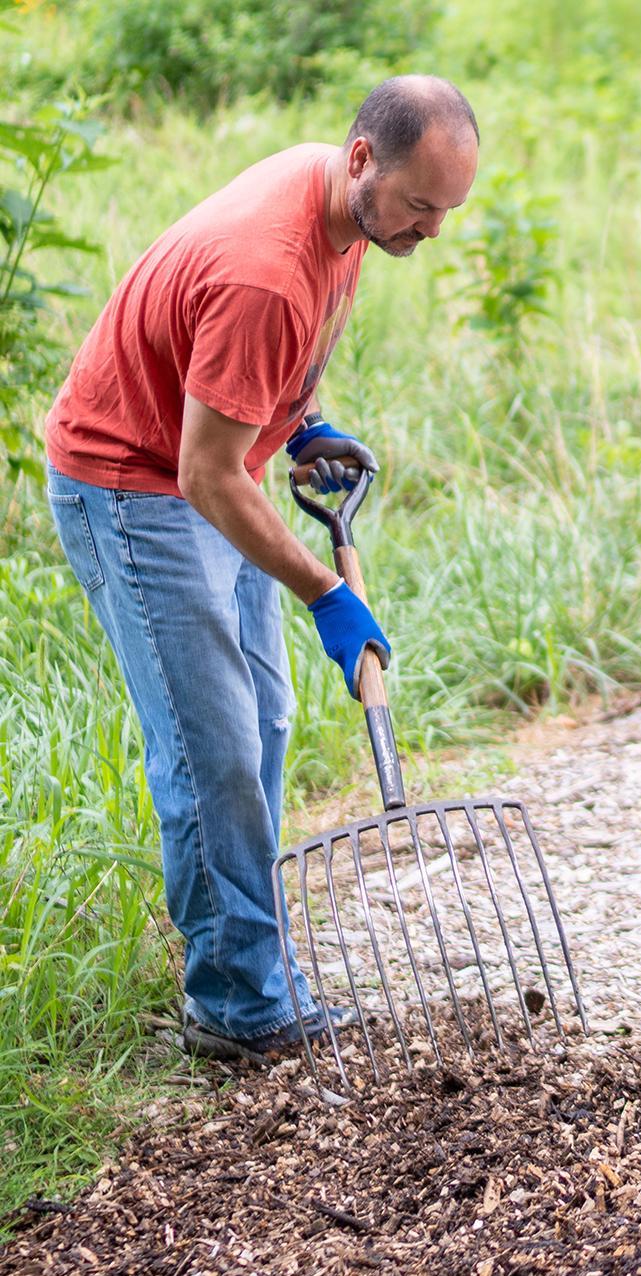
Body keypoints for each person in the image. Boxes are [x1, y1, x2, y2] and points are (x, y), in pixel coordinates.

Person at [44, 76, 479, 1065]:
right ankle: (236, 1002)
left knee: (265, 721)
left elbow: (279, 361)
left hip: (207, 462)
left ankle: (249, 955)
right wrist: (327, 593)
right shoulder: (266, 272)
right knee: (212, 751)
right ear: (365, 159)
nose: (432, 230)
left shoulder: (341, 204)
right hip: (135, 485)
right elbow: (203, 472)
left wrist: (304, 419)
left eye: (448, 209)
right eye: (420, 206)